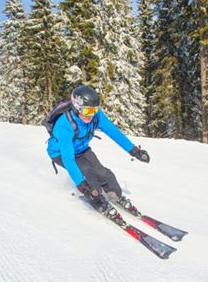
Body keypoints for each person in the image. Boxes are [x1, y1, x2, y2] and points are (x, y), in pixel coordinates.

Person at [46, 85, 150, 217]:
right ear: (77, 108)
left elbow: (113, 132)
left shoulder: (95, 115)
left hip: (82, 149)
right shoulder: (64, 125)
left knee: (102, 172)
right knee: (87, 171)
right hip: (61, 153)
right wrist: (81, 184)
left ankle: (116, 196)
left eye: (94, 110)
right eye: (87, 111)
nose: (91, 115)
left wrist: (133, 150)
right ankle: (99, 201)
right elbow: (68, 159)